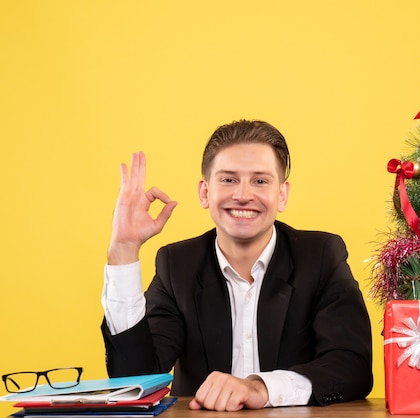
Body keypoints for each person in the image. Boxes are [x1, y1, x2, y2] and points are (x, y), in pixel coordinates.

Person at [100, 119, 373, 412]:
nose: (243, 195)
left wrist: (261, 388)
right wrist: (124, 251)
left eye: (260, 181)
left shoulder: (321, 256)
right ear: (205, 192)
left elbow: (352, 366)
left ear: (282, 194)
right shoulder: (176, 266)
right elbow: (135, 382)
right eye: (228, 179)